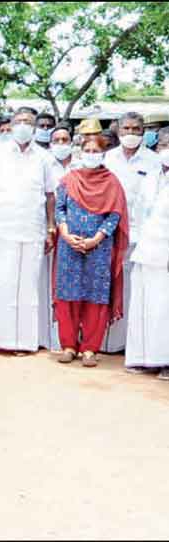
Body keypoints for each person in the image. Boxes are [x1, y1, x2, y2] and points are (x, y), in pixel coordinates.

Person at [0, 107, 56, 354]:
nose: (23, 125)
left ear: (34, 127)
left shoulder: (44, 158)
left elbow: (50, 195)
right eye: (19, 121)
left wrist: (51, 226)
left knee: (25, 288)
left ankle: (23, 343)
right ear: (10, 125)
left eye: (28, 122)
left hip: (30, 229)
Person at [53, 135, 129, 366]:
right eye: (87, 150)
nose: (91, 154)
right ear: (80, 152)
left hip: (99, 248)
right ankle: (68, 345)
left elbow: (115, 215)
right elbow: (60, 209)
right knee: (68, 294)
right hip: (69, 246)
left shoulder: (112, 182)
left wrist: (96, 239)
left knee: (95, 296)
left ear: (104, 154)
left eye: (96, 151)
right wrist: (65, 234)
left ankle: (90, 348)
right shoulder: (69, 179)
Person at [101, 112, 162, 353]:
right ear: (118, 131)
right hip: (108, 233)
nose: (131, 134)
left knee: (133, 289)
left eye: (137, 129)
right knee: (108, 285)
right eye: (126, 129)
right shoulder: (107, 159)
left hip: (141, 236)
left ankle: (130, 344)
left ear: (144, 131)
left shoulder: (154, 161)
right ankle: (105, 342)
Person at [125, 126, 169, 378]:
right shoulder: (151, 176)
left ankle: (166, 360)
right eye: (163, 145)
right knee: (144, 306)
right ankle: (144, 357)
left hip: (166, 253)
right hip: (144, 250)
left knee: (164, 308)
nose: (167, 150)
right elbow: (140, 214)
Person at [38, 123, 78, 351]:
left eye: (65, 139)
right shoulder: (43, 162)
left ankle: (71, 336)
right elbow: (47, 197)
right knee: (47, 283)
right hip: (49, 230)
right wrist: (50, 227)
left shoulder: (80, 164)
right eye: (57, 140)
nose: (61, 144)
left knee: (69, 284)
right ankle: (50, 336)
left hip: (77, 233)